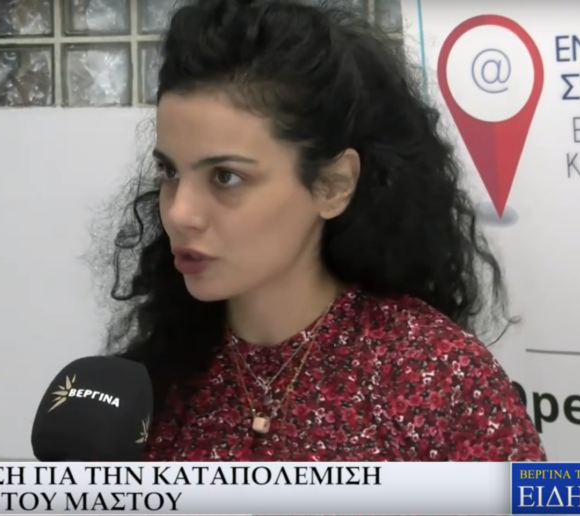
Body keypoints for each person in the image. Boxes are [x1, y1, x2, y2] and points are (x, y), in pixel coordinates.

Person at [95, 0, 546, 461]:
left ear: (333, 185)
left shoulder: (441, 379)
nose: (179, 212)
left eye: (226, 177)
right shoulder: (154, 383)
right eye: (170, 172)